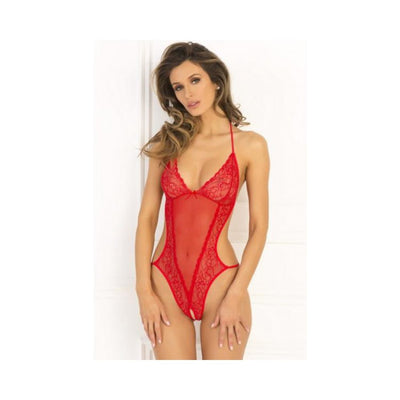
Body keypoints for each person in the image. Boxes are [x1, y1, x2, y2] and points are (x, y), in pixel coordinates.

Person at [135, 41, 269, 360]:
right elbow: (147, 219)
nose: (188, 94)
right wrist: (144, 292)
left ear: (216, 80)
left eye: (195, 80)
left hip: (222, 283)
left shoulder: (251, 146)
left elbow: (259, 227)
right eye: (178, 87)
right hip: (164, 281)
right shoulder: (167, 143)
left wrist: (236, 293)